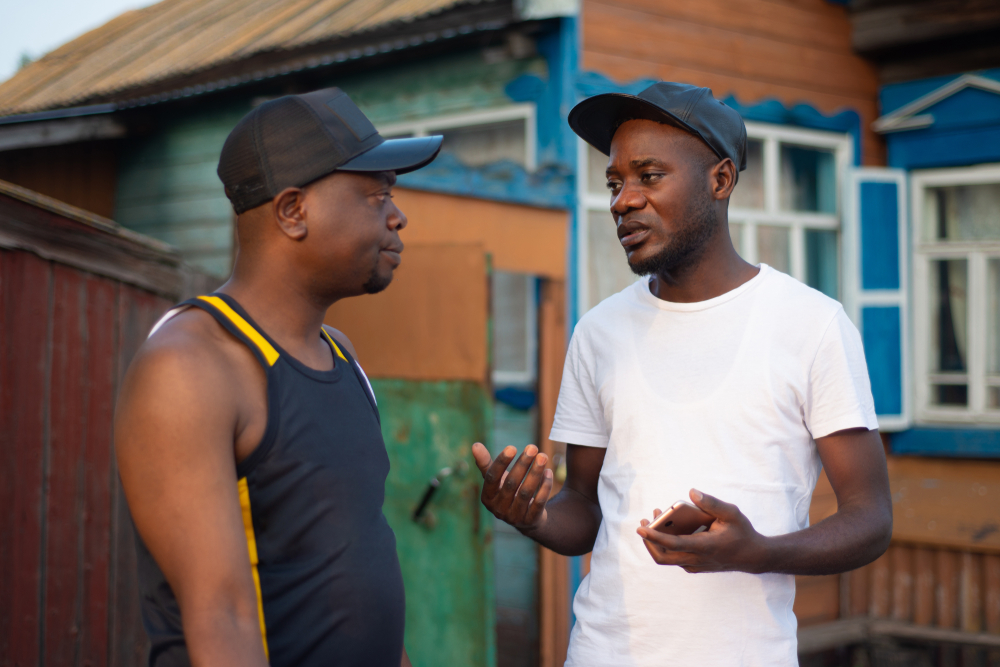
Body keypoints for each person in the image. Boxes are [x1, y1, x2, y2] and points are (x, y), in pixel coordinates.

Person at [472, 82, 892, 665]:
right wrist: (534, 517)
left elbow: (870, 520)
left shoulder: (812, 325)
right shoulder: (599, 331)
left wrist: (758, 551)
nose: (623, 201)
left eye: (649, 176)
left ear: (720, 180)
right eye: (615, 183)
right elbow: (585, 509)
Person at [114, 88, 442, 667]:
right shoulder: (192, 367)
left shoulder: (339, 354)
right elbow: (223, 616)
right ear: (293, 211)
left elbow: (358, 579)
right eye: (376, 194)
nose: (398, 215)